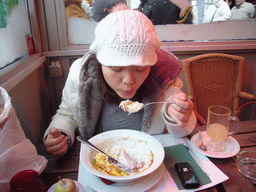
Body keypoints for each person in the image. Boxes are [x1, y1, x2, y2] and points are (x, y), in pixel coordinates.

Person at [44, 5, 196, 157]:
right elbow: (67, 114)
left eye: (140, 69)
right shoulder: (81, 76)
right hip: (98, 159)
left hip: (145, 158)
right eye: (117, 69)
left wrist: (176, 116)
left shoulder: (164, 79)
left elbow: (181, 131)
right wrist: (62, 135)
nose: (129, 80)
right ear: (100, 62)